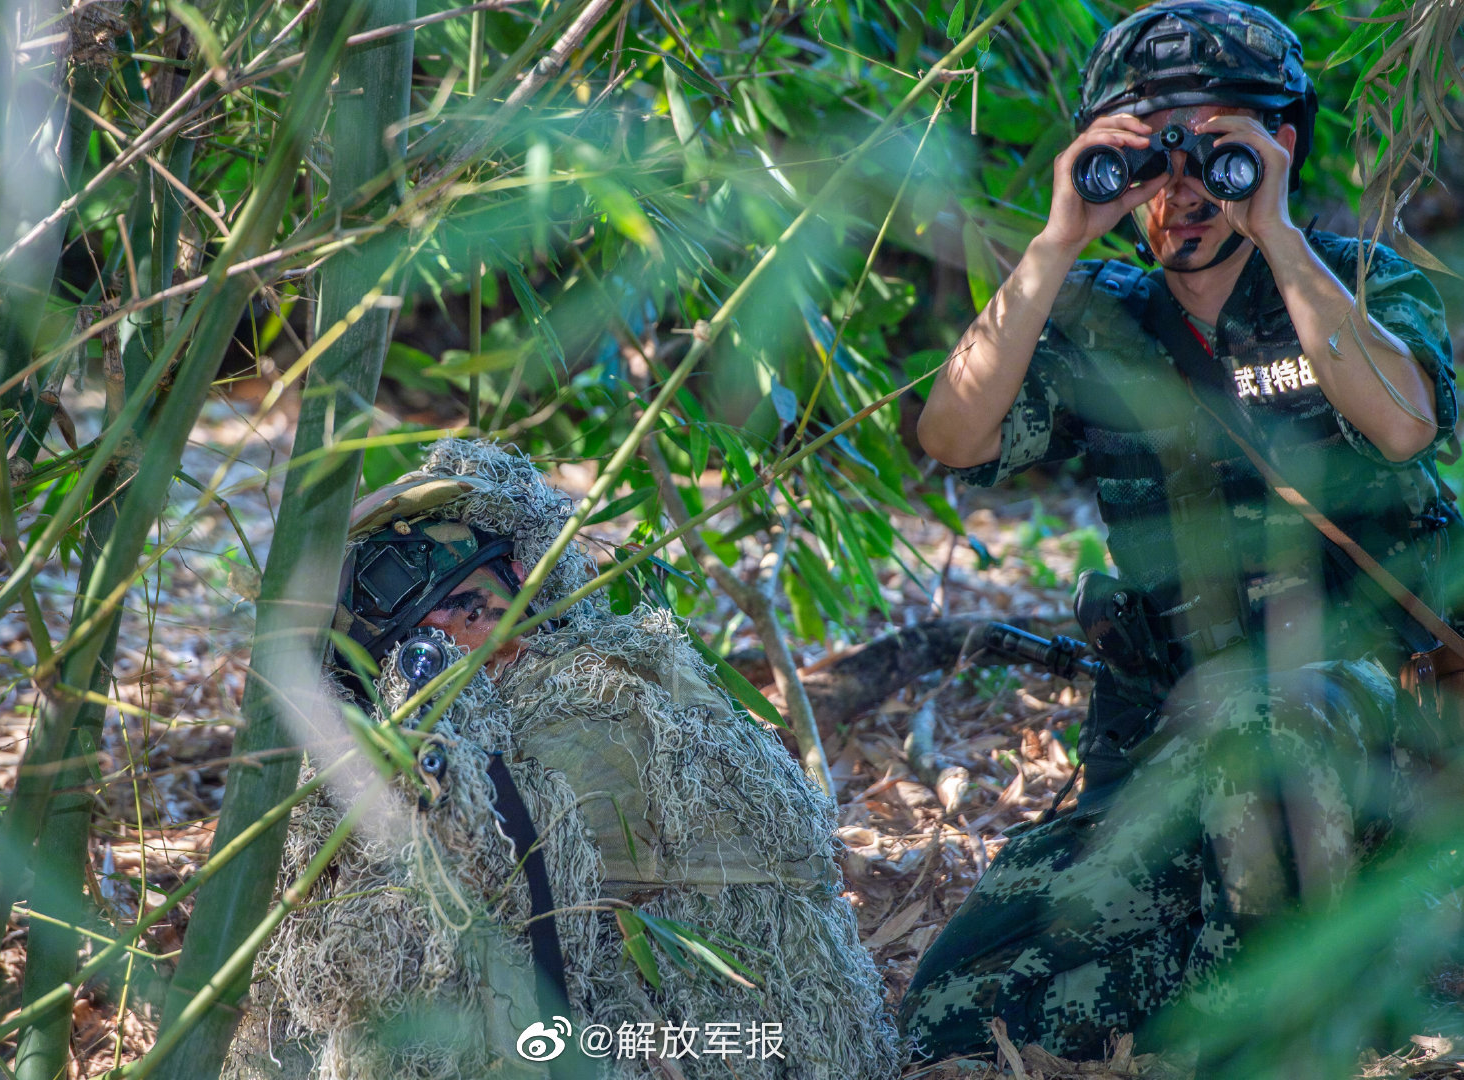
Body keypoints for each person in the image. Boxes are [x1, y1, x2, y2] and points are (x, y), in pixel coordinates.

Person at [902, 0, 1456, 1065]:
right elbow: (954, 435)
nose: (1184, 185)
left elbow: (1401, 424)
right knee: (964, 998)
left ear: (1281, 145)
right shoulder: (1095, 313)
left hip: (1380, 724)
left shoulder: (1359, 281)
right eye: (1152, 151)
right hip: (1173, 740)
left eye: (1219, 145)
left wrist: (1278, 233)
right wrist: (1060, 238)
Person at [224, 439, 899, 1080]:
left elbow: (501, 911)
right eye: (424, 631)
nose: (455, 634)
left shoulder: (603, 698)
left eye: (463, 609)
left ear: (517, 574)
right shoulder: (596, 675)